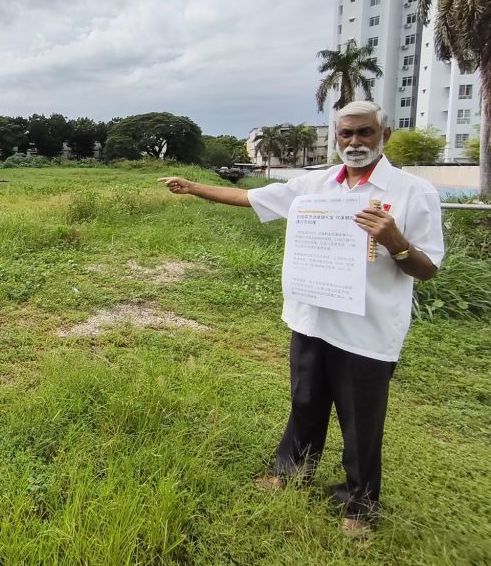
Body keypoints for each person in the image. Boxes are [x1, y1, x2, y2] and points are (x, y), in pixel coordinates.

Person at [160, 101, 443, 535]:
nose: (354, 142)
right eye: (346, 133)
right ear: (336, 137)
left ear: (384, 136)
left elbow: (428, 269)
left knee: (361, 420)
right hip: (312, 319)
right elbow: (246, 196)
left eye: (365, 133)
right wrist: (192, 187)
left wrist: (395, 241)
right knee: (305, 402)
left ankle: (359, 506)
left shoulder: (412, 192)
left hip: (366, 329)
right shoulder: (314, 184)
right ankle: (290, 472)